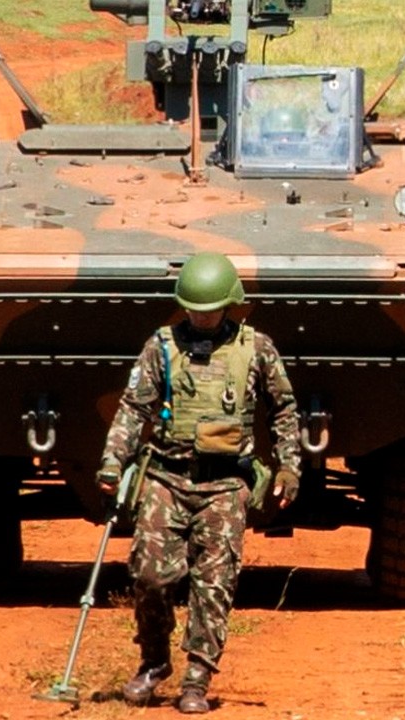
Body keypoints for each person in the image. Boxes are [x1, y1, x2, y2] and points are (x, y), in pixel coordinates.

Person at [97, 251, 302, 714]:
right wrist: (113, 462)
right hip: (166, 477)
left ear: (229, 305)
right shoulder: (161, 347)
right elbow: (133, 408)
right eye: (193, 309)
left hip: (227, 484)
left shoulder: (256, 348)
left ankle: (197, 680)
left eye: (210, 310)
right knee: (149, 575)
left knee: (215, 584)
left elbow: (285, 409)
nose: (201, 317)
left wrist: (289, 466)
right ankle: (153, 662)